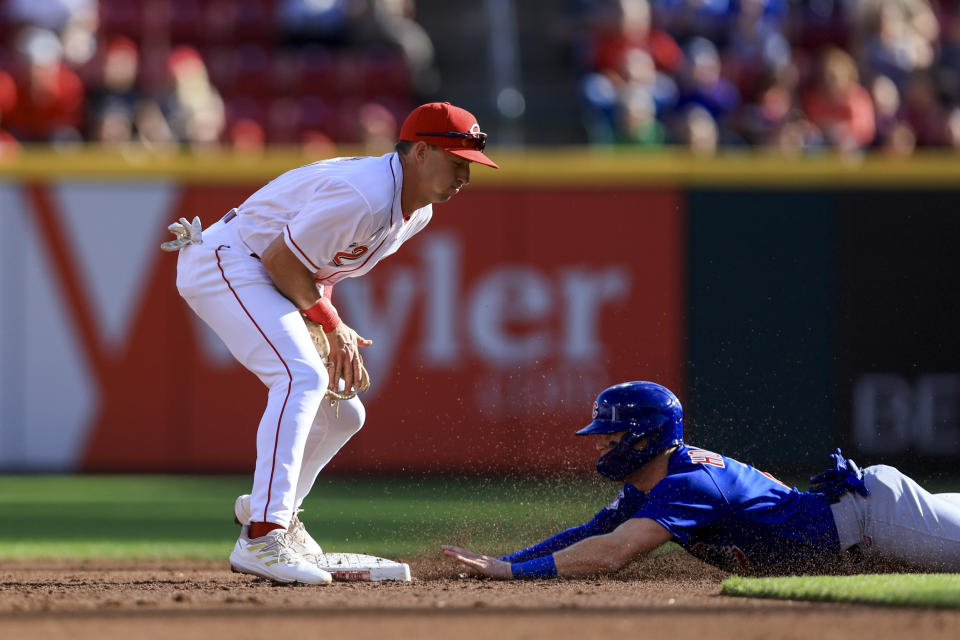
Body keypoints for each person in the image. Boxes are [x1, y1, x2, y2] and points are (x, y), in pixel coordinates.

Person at [167, 102, 498, 584]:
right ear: (421, 153)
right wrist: (330, 324)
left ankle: (274, 509)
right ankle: (264, 533)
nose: (464, 177)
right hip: (230, 260)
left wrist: (324, 326)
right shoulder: (364, 195)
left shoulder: (416, 210)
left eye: (469, 166)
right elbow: (282, 259)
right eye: (456, 162)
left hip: (263, 270)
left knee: (345, 412)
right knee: (299, 375)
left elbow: (321, 265)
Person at [443, 381, 960, 579]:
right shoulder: (654, 482)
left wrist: (511, 577)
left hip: (877, 519)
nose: (600, 444)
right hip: (861, 531)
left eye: (611, 435)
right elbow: (589, 535)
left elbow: (612, 553)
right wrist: (502, 561)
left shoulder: (687, 485)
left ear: (645, 438)